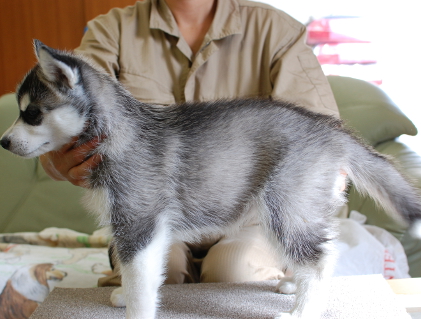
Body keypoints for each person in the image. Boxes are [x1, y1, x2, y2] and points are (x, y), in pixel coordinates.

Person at [40, 0, 342, 286]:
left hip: (253, 214)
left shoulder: (277, 31)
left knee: (232, 270)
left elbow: (322, 149)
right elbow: (60, 122)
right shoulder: (111, 30)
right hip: (153, 211)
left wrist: (300, 223)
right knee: (160, 271)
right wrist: (56, 159)